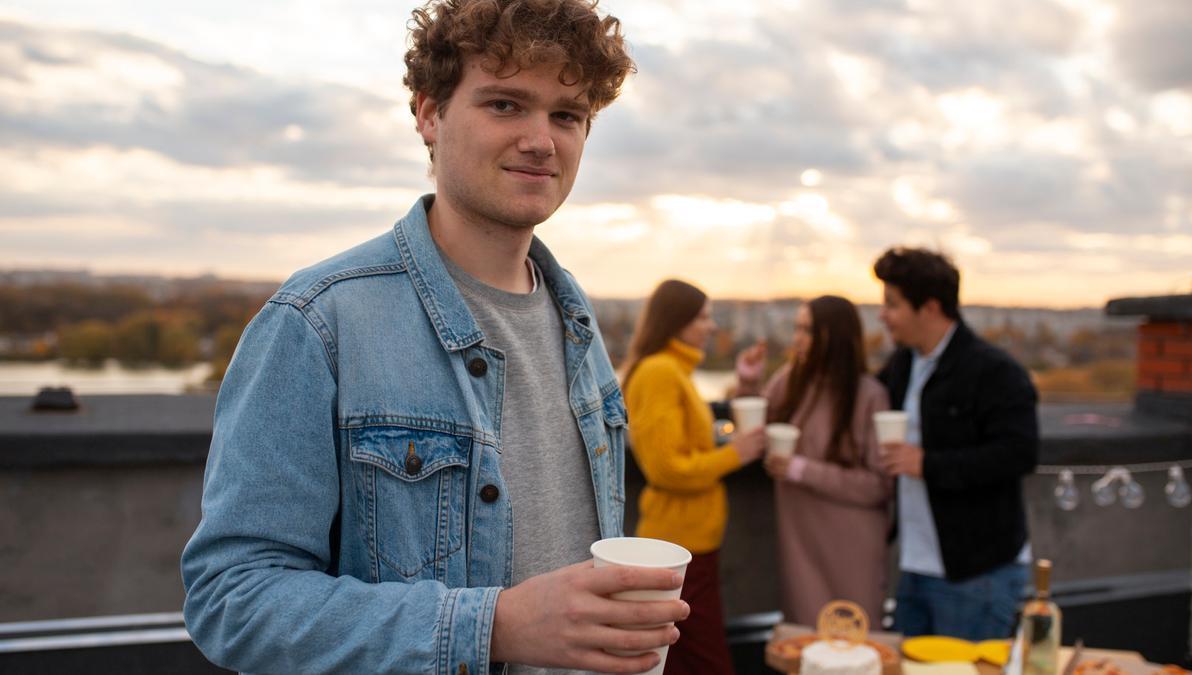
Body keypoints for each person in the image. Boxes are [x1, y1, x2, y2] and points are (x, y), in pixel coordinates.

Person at [180, 2, 692, 673]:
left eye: (567, 115)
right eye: (506, 104)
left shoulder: (576, 317)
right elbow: (232, 599)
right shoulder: (318, 319)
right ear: (429, 114)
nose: (542, 140)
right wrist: (492, 626)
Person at [872, 247, 1039, 640]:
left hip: (978, 573)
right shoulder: (903, 365)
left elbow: (1019, 454)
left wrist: (927, 465)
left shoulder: (994, 371)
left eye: (892, 304)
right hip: (914, 565)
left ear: (929, 308)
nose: (882, 315)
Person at [620, 279, 767, 675]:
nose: (712, 326)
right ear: (677, 320)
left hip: (690, 546)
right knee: (706, 663)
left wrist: (744, 387)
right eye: (703, 317)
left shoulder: (674, 371)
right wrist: (737, 454)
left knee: (680, 662)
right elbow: (668, 468)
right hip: (679, 549)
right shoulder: (660, 372)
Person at [735, 295, 892, 628]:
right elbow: (754, 430)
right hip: (801, 544)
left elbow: (878, 486)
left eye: (807, 330)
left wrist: (801, 469)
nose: (797, 339)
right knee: (804, 640)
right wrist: (748, 382)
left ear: (835, 336)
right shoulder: (790, 380)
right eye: (797, 328)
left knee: (853, 639)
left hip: (852, 546)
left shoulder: (869, 395)